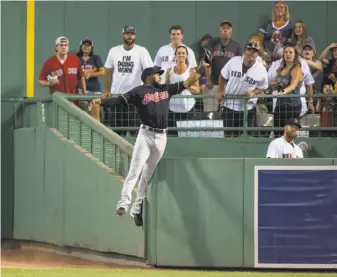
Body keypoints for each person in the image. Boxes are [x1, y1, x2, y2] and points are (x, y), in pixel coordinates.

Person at [89, 62, 209, 227]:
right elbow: (118, 100)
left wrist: (203, 68)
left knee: (147, 175)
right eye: (157, 73)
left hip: (162, 137)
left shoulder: (166, 89)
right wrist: (101, 102)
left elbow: (189, 82)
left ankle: (136, 208)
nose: (160, 75)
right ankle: (123, 203)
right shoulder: (139, 91)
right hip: (145, 135)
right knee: (134, 171)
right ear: (148, 76)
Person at [103, 25, 154, 135]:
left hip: (135, 97)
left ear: (135, 36)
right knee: (117, 131)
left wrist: (146, 89)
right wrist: (107, 90)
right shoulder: (114, 51)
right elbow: (107, 71)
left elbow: (149, 71)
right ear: (122, 35)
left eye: (132, 34)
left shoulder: (142, 51)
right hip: (117, 96)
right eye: (127, 33)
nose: (129, 36)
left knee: (135, 131)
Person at [216, 42, 269, 137]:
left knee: (248, 137)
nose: (252, 53)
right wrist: (220, 90)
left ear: (257, 54)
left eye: (255, 51)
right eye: (249, 50)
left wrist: (253, 92)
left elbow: (263, 86)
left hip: (248, 107)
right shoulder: (234, 61)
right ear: (244, 51)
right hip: (229, 105)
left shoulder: (261, 69)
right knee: (229, 136)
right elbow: (222, 75)